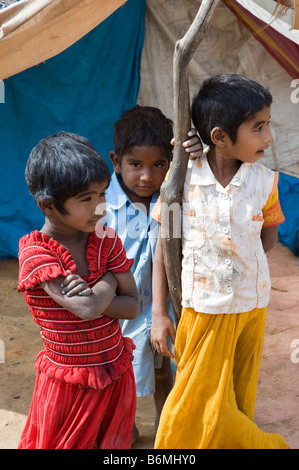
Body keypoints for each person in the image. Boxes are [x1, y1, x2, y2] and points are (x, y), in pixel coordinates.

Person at [151, 74, 289, 449]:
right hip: (204, 308)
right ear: (219, 137)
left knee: (238, 397)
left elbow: (269, 236)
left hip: (252, 305)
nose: (267, 137)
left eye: (267, 125)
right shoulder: (181, 177)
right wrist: (160, 313)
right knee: (195, 402)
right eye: (257, 128)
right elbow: (163, 246)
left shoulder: (265, 182)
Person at [17, 131, 140, 449]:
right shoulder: (38, 253)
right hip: (70, 384)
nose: (100, 207)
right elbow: (86, 309)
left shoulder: (106, 239)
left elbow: (132, 306)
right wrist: (110, 282)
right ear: (48, 205)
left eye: (102, 194)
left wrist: (99, 289)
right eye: (86, 198)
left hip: (113, 371)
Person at [99, 105, 202, 442]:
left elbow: (172, 248)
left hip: (163, 308)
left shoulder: (170, 200)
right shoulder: (99, 207)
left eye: (159, 165)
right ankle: (122, 429)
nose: (147, 176)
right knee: (116, 378)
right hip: (119, 314)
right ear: (116, 161)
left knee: (162, 372)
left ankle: (165, 428)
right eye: (135, 165)